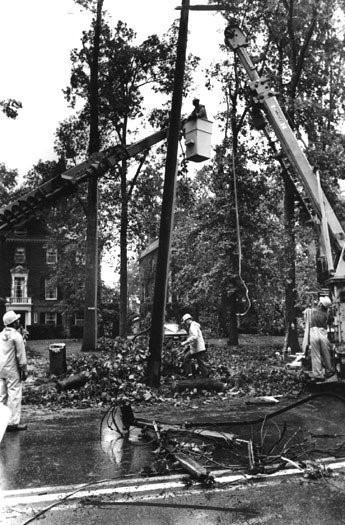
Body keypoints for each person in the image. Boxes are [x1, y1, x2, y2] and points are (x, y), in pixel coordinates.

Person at [0, 310, 28, 431]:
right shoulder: (16, 336)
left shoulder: (0, 335)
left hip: (1, 368)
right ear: (13, 322)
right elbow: (21, 356)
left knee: (2, 396)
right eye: (17, 320)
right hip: (12, 370)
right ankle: (12, 423)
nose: (18, 321)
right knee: (14, 395)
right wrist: (24, 370)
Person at [303, 296, 335, 380]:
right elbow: (331, 321)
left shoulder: (313, 311)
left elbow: (308, 313)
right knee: (326, 352)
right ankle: (330, 370)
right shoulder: (327, 314)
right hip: (322, 332)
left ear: (321, 304)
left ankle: (318, 374)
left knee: (316, 354)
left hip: (314, 332)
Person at [180, 313, 209, 378]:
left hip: (197, 348)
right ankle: (193, 374)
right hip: (196, 348)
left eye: (185, 322)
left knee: (189, 359)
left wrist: (185, 342)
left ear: (187, 320)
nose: (185, 323)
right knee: (191, 359)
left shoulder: (193, 326)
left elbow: (194, 336)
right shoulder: (193, 325)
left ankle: (203, 376)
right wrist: (185, 348)